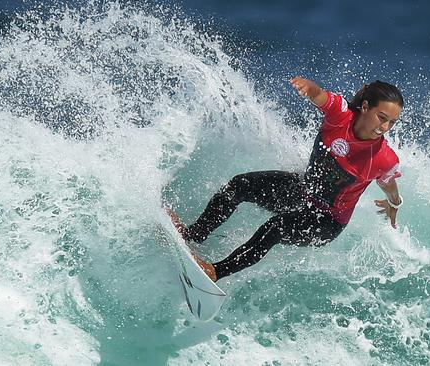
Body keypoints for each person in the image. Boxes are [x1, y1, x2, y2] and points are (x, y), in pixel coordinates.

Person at [171, 77, 404, 282]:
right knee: (239, 186)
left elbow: (388, 185)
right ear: (365, 107)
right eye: (381, 117)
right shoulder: (340, 117)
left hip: (328, 220)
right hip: (302, 191)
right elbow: (320, 95)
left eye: (391, 123)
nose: (384, 127)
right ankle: (194, 235)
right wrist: (308, 87)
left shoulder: (383, 158)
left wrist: (394, 203)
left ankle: (215, 272)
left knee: (275, 228)